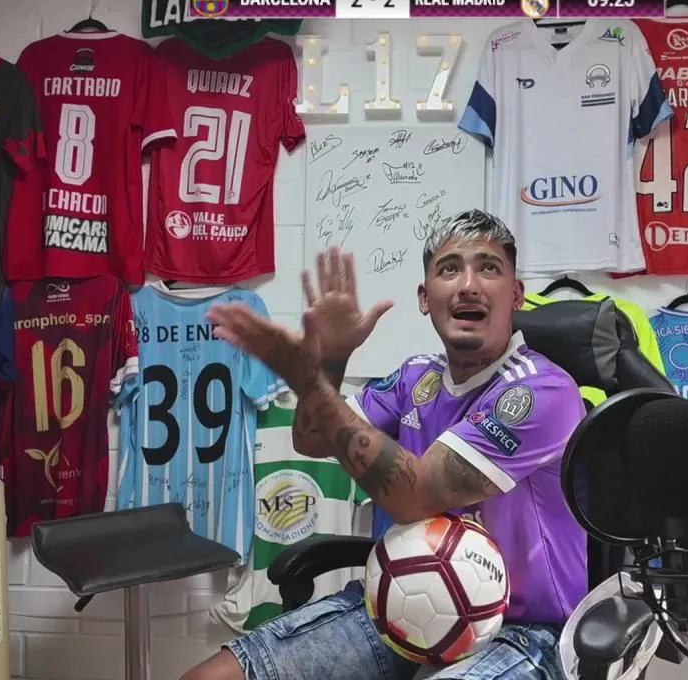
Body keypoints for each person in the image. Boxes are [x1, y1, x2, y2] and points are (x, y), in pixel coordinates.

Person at [186, 210, 588, 680]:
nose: (468, 285)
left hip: (525, 630)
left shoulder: (542, 390)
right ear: (424, 298)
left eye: (489, 268)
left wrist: (308, 380)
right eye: (449, 269)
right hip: (401, 608)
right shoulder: (415, 377)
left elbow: (415, 495)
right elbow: (311, 438)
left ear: (516, 294)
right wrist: (331, 361)